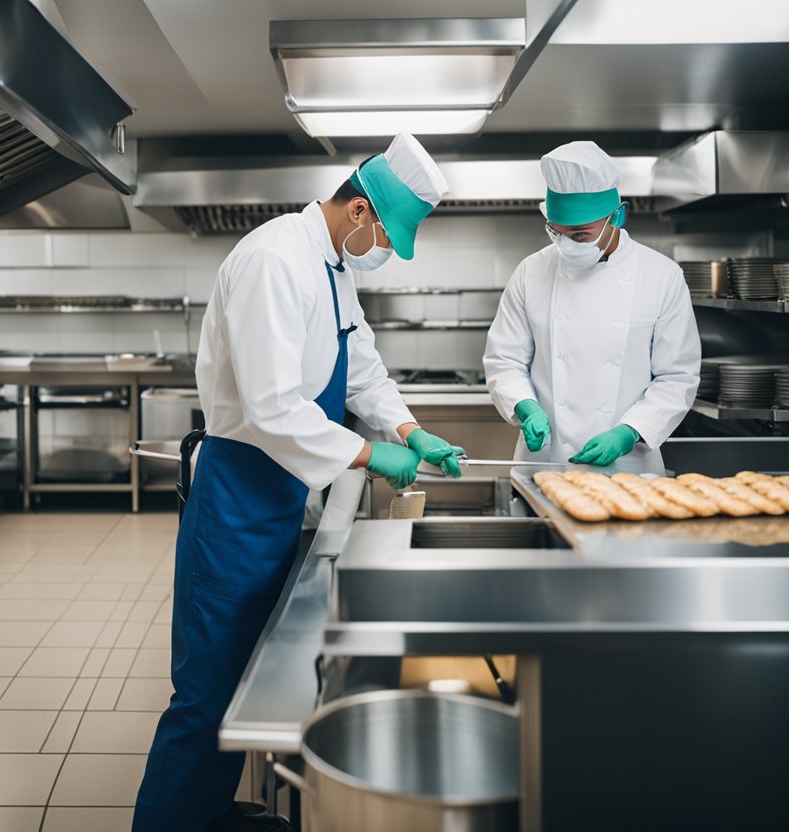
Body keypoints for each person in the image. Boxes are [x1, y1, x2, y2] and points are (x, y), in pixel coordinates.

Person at [132, 133, 462, 832]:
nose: (383, 251)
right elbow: (272, 404)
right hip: (236, 500)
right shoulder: (274, 260)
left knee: (244, 677)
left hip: (280, 496)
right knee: (206, 692)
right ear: (360, 210)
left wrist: (408, 431)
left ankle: (211, 814)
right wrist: (369, 457)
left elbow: (362, 366)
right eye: (386, 235)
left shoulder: (333, 266)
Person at [483, 140, 701, 473]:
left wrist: (630, 432)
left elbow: (677, 376)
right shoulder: (531, 272)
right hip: (547, 462)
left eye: (581, 235)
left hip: (629, 467)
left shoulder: (661, 276)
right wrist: (525, 406)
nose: (567, 244)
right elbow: (504, 360)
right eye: (557, 233)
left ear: (618, 216)